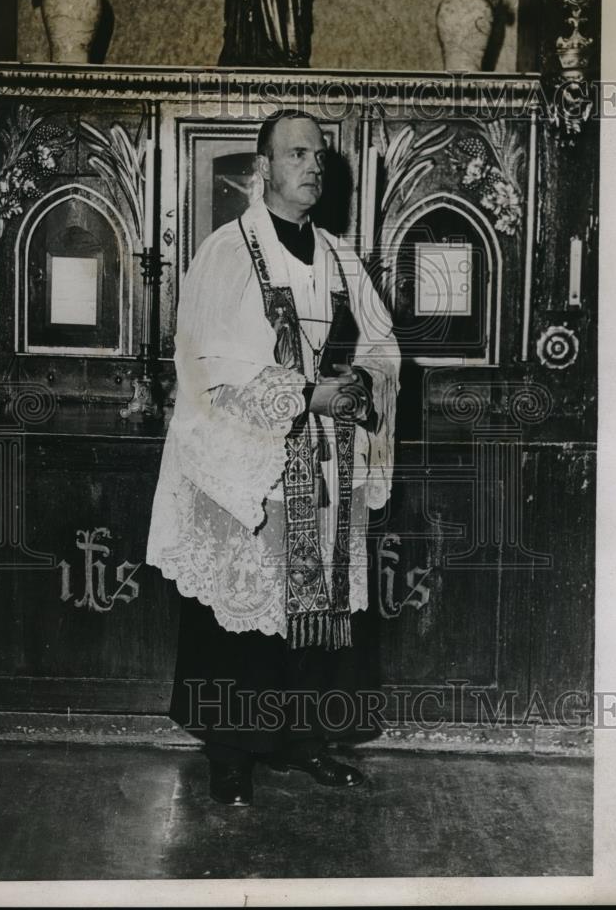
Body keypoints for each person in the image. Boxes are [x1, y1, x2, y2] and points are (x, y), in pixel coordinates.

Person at [147, 110, 400, 806]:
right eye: (295, 154)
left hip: (325, 462)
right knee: (243, 616)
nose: (311, 166)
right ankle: (231, 753)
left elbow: (383, 347)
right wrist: (300, 396)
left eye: (319, 156)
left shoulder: (342, 258)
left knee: (313, 612)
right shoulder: (227, 252)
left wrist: (361, 386)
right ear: (263, 169)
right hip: (250, 463)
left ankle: (304, 740)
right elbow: (206, 365)